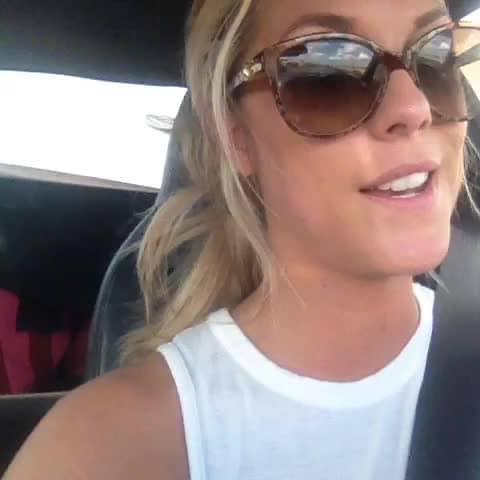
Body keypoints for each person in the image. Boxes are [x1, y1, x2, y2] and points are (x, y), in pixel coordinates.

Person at [4, 0, 480, 478]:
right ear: (237, 138)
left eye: (435, 56)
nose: (414, 107)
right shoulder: (111, 446)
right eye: (327, 70)